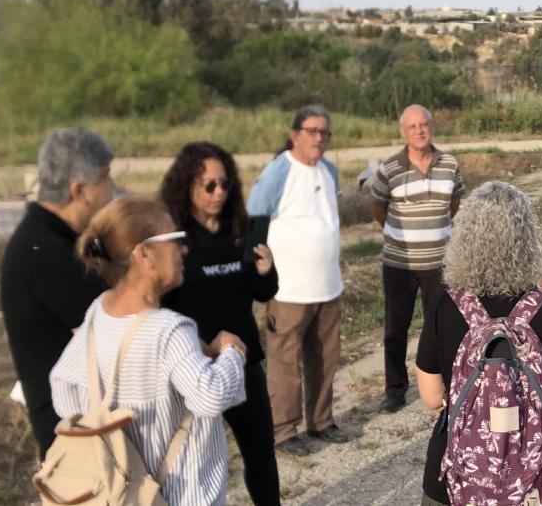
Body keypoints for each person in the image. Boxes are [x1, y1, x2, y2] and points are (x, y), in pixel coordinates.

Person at [49, 197, 247, 505]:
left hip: (127, 493)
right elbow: (210, 396)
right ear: (145, 253)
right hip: (183, 495)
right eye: (175, 240)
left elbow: (63, 388)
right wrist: (232, 352)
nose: (185, 250)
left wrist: (117, 430)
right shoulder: (169, 329)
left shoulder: (98, 312)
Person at [415, 181, 542, 506]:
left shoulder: (446, 306)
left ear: (464, 240)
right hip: (536, 479)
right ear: (527, 240)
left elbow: (430, 396)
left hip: (460, 476)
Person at [159, 142, 282, 505]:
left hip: (243, 363)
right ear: (187, 186)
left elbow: (262, 292)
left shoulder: (239, 231)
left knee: (261, 453)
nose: (219, 193)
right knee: (197, 461)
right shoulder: (175, 240)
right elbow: (161, 307)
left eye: (224, 184)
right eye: (208, 185)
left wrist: (266, 269)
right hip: (193, 368)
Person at [0, 127, 115, 458]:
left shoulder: (55, 236)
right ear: (79, 190)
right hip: (73, 429)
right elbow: (111, 327)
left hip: (80, 420)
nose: (112, 187)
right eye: (105, 177)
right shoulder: (48, 251)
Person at [248, 104, 344, 455]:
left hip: (328, 287)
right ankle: (284, 431)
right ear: (295, 135)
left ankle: (321, 423)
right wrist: (259, 276)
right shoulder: (278, 172)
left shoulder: (329, 171)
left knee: (325, 359)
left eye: (324, 132)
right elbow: (253, 224)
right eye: (312, 131)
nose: (319, 138)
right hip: (288, 290)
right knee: (285, 364)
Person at [367, 104, 466, 414]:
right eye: (413, 127)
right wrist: (402, 235)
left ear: (432, 126)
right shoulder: (389, 169)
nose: (420, 131)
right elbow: (378, 209)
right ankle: (395, 390)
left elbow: (454, 205)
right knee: (396, 328)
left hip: (439, 262)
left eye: (424, 125)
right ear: (403, 132)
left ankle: (445, 383)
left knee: (441, 325)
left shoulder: (449, 164)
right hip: (399, 263)